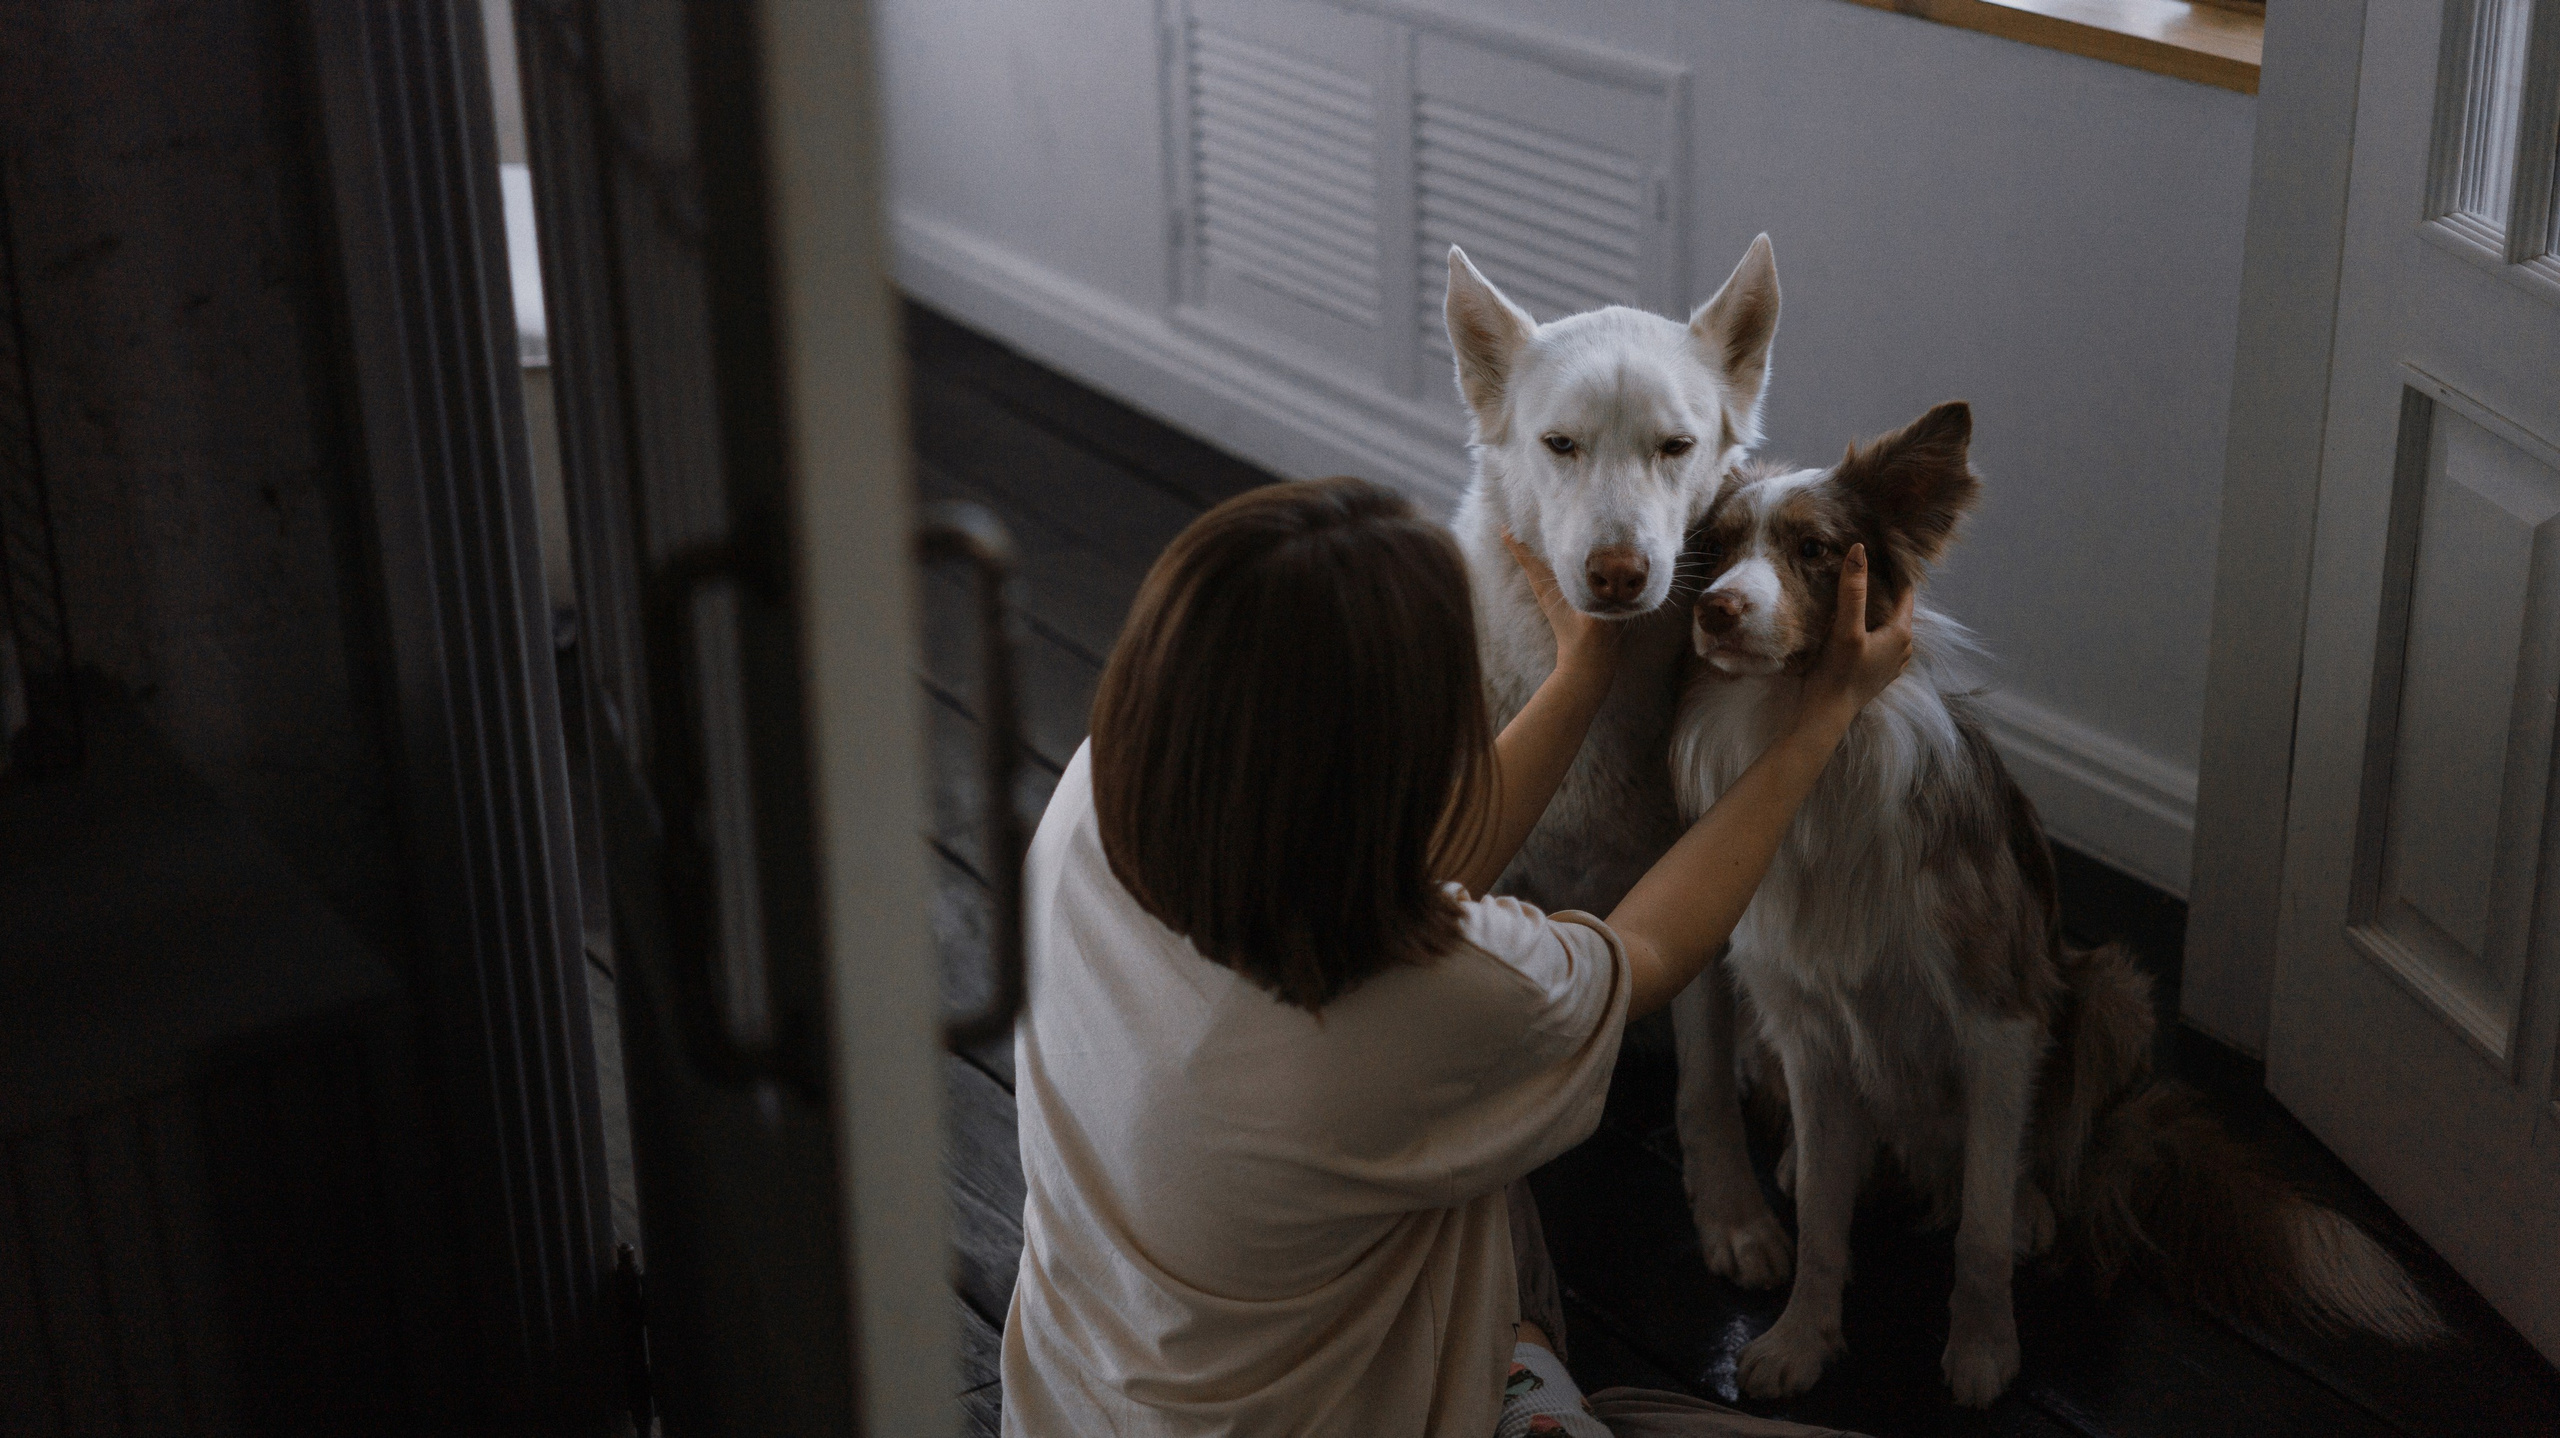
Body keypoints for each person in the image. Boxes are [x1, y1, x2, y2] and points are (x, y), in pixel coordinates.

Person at [999, 477, 1912, 1437]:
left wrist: (1581, 673)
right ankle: (1523, 1381)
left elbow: (1419, 859)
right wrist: (1821, 719)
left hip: (1082, 1399)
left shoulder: (1102, 795)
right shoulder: (1445, 996)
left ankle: (1522, 1363)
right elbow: (1645, 948)